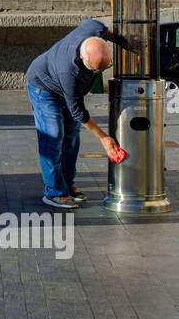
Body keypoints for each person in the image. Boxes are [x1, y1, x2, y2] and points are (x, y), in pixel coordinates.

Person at [26, 19, 123, 210]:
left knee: (71, 137)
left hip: (65, 88)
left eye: (104, 68)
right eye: (95, 70)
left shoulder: (94, 30)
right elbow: (78, 111)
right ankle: (54, 192)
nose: (98, 73)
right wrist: (104, 138)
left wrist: (125, 42)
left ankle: (67, 184)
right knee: (53, 136)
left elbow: (98, 26)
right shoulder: (68, 70)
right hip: (44, 87)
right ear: (82, 58)